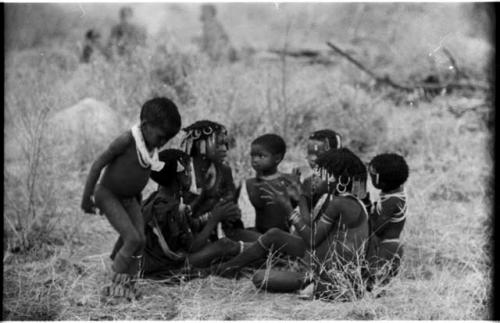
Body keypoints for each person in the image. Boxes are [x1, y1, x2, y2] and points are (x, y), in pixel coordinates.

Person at [213, 148, 370, 301]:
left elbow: (312, 239)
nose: (315, 177)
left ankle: (314, 284)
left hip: (333, 276)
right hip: (318, 258)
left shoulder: (341, 203)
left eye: (320, 174)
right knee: (274, 235)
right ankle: (229, 268)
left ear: (339, 180)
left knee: (260, 278)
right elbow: (311, 228)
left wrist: (288, 209)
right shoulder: (334, 198)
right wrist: (300, 196)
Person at [81, 97, 181, 303]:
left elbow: (137, 177)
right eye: (161, 137)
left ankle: (129, 283)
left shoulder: (150, 149)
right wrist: (86, 198)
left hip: (129, 199)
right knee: (132, 239)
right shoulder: (126, 141)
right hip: (108, 194)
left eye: (167, 140)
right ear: (145, 125)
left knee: (141, 240)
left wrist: (137, 200)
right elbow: (97, 165)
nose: (162, 143)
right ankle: (113, 286)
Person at [140, 149, 242, 279]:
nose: (190, 176)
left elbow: (190, 226)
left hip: (152, 265)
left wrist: (213, 215)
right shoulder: (170, 208)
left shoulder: (156, 198)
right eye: (188, 172)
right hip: (166, 268)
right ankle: (264, 250)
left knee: (215, 245)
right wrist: (214, 219)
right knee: (225, 245)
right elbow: (193, 246)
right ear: (180, 176)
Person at [180, 120, 256, 243]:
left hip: (214, 239)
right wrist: (212, 214)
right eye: (219, 144)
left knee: (266, 242)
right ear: (201, 144)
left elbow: (231, 220)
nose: (225, 149)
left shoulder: (224, 171)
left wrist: (231, 211)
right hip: (186, 240)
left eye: (226, 144)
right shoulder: (182, 172)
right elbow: (177, 218)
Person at [237, 134, 300, 240]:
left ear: (277, 158)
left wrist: (297, 191)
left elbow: (299, 209)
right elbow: (245, 218)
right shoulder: (249, 184)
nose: (255, 160)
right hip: (258, 237)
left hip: (284, 238)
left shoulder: (287, 182)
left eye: (261, 156)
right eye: (252, 155)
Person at [364, 153, 409, 292]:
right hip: (388, 246)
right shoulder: (394, 194)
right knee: (378, 283)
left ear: (380, 180)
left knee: (376, 285)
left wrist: (365, 209)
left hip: (387, 247)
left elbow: (378, 227)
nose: (370, 178)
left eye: (372, 176)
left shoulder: (392, 201)